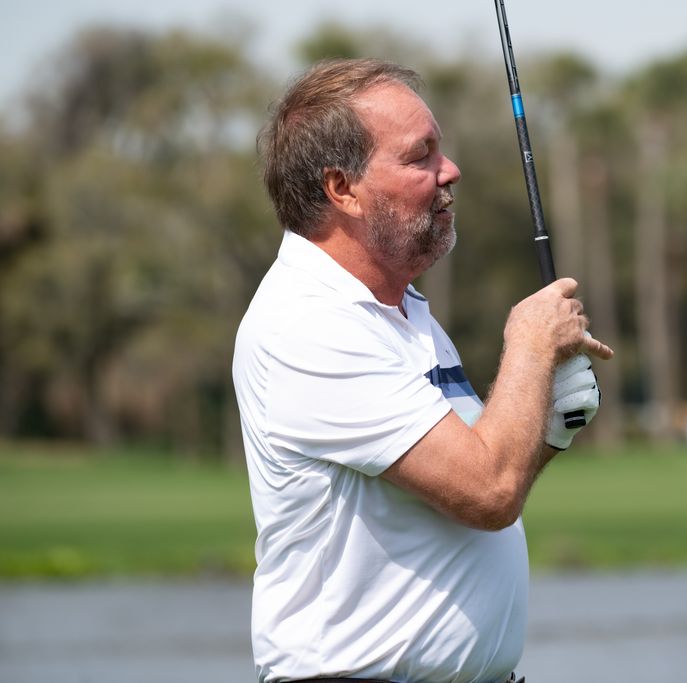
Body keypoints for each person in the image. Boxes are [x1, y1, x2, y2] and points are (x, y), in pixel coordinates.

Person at [232, 58, 612, 683]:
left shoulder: (397, 309)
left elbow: (474, 479)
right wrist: (529, 344)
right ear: (342, 189)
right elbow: (487, 491)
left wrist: (547, 429)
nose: (450, 170)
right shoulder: (308, 323)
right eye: (420, 156)